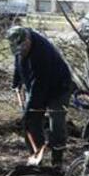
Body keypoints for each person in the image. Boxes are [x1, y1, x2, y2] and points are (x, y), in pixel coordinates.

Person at [7, 26, 73, 168]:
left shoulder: (42, 52)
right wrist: (16, 82)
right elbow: (18, 63)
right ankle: (36, 155)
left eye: (23, 49)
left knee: (56, 123)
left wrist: (28, 110)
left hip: (58, 88)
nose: (21, 52)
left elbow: (39, 87)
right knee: (31, 122)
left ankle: (57, 161)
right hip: (38, 86)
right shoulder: (20, 43)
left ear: (28, 40)